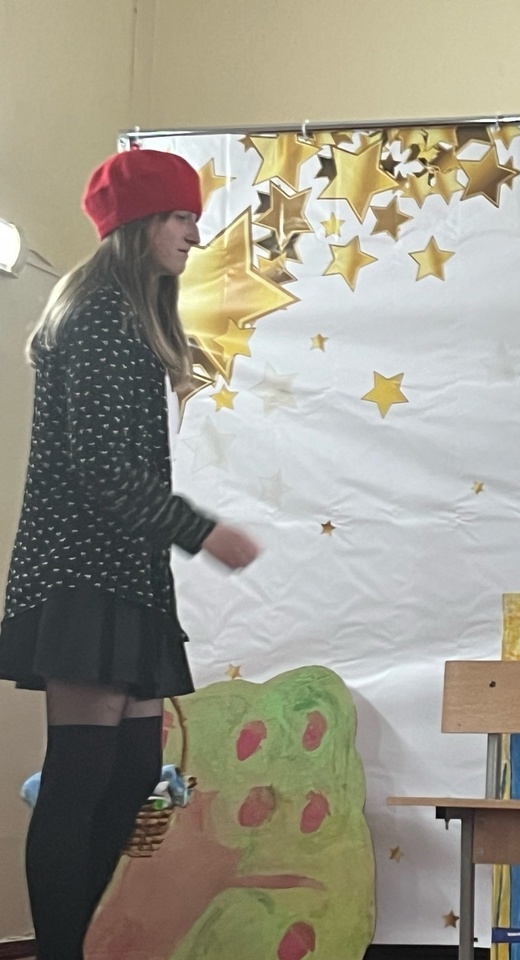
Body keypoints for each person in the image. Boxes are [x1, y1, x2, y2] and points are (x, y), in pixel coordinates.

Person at [0, 149, 260, 959]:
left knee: (130, 771)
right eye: (181, 217)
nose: (194, 234)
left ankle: (83, 941)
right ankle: (63, 950)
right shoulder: (100, 317)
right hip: (85, 577)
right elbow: (102, 468)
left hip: (122, 577)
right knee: (81, 776)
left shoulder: (125, 317)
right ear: (141, 222)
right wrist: (203, 531)